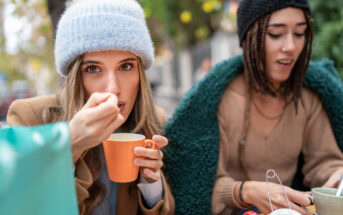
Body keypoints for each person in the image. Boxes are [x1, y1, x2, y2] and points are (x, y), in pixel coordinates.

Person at [163, 0, 343, 214]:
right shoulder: (219, 100)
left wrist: (337, 175)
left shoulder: (307, 97)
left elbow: (323, 163)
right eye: (276, 34)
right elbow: (194, 184)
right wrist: (244, 192)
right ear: (249, 37)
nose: (291, 47)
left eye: (300, 33)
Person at [7, 0, 174, 214]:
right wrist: (69, 145)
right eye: (93, 68)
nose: (113, 88)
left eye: (126, 66)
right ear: (75, 76)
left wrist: (151, 183)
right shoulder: (31, 119)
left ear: (140, 73)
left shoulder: (155, 121)